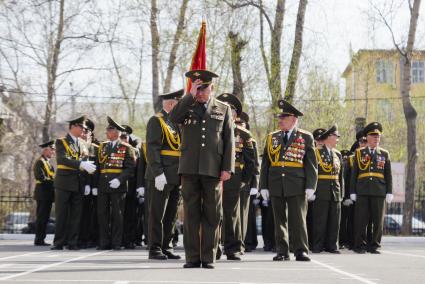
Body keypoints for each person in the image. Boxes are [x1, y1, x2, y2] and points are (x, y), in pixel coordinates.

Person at [169, 70, 235, 269]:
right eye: (197, 88)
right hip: (189, 168)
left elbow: (228, 140)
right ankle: (192, 257)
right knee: (191, 214)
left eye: (204, 88)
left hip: (213, 169)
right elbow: (173, 118)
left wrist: (227, 168)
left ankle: (208, 257)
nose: (200, 92)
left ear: (211, 88)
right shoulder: (186, 105)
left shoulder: (222, 108)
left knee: (212, 214)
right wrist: (189, 95)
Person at [259, 100, 318, 261]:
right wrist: (263, 185)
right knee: (279, 220)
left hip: (297, 184)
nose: (280, 120)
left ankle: (300, 250)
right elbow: (266, 163)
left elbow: (311, 164)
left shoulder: (306, 137)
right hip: (276, 182)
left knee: (298, 219)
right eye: (280, 117)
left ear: (293, 119)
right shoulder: (272, 137)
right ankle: (282, 251)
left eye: (283, 117)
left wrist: (311, 185)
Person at [216, 93, 255, 261]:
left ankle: (233, 249)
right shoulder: (212, 128)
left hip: (234, 176)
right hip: (213, 175)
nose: (226, 111)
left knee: (232, 214)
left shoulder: (244, 134)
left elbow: (251, 160)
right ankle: (214, 247)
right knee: (213, 212)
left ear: (235, 114)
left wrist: (244, 180)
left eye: (230, 109)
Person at [145, 89, 184, 260]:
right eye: (178, 103)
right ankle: (154, 248)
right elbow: (153, 149)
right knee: (157, 213)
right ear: (170, 104)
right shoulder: (156, 121)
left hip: (175, 174)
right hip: (161, 175)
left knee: (171, 214)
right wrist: (158, 173)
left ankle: (166, 246)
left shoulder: (175, 123)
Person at [52, 115, 95, 250]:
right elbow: (62, 160)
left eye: (84, 127)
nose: (83, 130)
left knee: (76, 215)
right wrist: (81, 164)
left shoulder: (83, 144)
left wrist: (88, 182)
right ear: (73, 127)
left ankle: (72, 242)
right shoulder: (61, 142)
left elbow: (87, 163)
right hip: (64, 183)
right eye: (81, 127)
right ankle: (59, 242)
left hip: (78, 182)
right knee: (62, 214)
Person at [350, 122, 393, 254]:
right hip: (362, 190)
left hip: (379, 190)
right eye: (373, 136)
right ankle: (360, 245)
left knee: (377, 221)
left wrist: (389, 191)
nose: (376, 139)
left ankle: (374, 245)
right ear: (367, 137)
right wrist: (352, 191)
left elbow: (388, 175)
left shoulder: (384, 154)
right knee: (361, 219)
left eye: (378, 136)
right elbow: (354, 174)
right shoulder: (359, 153)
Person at [95, 117, 136, 250]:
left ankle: (116, 242)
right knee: (102, 214)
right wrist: (95, 185)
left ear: (117, 132)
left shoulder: (126, 148)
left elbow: (130, 168)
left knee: (117, 215)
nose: (107, 131)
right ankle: (104, 242)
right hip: (103, 184)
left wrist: (119, 179)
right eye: (107, 129)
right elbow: (97, 166)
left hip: (118, 184)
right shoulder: (102, 146)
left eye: (110, 129)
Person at [311, 125, 344, 254]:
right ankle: (317, 245)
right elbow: (312, 173)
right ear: (329, 137)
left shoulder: (337, 154)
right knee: (320, 220)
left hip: (335, 190)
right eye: (336, 137)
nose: (337, 140)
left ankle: (332, 245)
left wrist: (342, 193)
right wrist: (312, 190)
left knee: (334, 220)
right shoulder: (315, 152)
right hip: (321, 189)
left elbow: (340, 177)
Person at [79, 118, 99, 249]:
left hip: (93, 186)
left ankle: (92, 238)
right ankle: (80, 238)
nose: (83, 133)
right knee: (80, 213)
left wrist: (94, 185)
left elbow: (98, 168)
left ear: (91, 133)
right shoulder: (77, 145)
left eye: (86, 131)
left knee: (93, 213)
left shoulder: (96, 148)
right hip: (79, 185)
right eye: (82, 130)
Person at [33, 140, 55, 246]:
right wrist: (54, 183)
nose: (53, 152)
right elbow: (40, 177)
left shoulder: (48, 162)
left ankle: (41, 238)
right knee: (41, 218)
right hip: (42, 194)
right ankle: (39, 239)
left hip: (48, 194)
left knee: (45, 218)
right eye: (52, 150)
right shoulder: (40, 162)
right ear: (46, 150)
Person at [121, 125, 140, 249]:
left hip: (132, 187)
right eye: (121, 137)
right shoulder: (116, 148)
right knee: (119, 215)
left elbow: (138, 170)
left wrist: (140, 187)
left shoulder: (134, 150)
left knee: (132, 215)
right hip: (119, 186)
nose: (123, 139)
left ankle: (130, 239)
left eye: (125, 137)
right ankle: (121, 239)